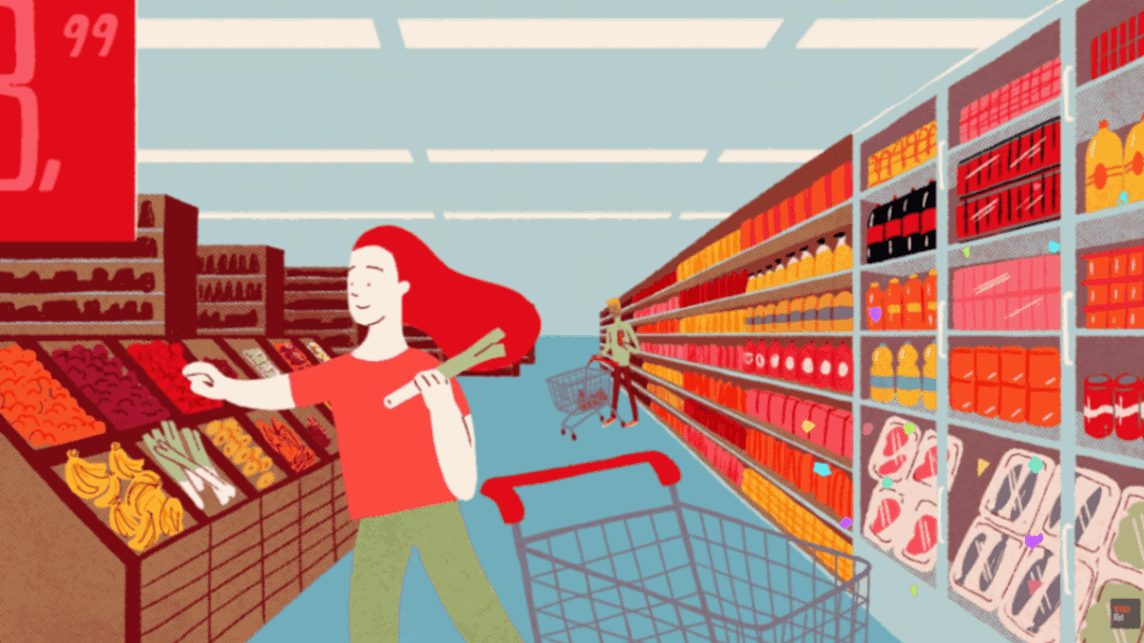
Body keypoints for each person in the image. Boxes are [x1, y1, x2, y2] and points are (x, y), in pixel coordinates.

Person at [182, 226, 539, 643]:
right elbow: (283, 390)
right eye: (352, 277)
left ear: (402, 287)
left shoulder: (428, 370)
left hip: (433, 510)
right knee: (371, 623)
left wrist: (440, 406)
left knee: (475, 610)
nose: (358, 287)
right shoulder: (343, 372)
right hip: (376, 514)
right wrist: (224, 387)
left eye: (372, 276)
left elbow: (464, 481)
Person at [599, 297, 641, 428]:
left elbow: (637, 349)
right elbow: (608, 346)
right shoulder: (611, 329)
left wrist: (626, 346)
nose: (614, 312)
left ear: (619, 311)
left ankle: (635, 418)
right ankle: (612, 416)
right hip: (616, 364)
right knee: (615, 391)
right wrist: (600, 355)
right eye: (612, 309)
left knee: (629, 390)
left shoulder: (626, 326)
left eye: (615, 309)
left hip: (625, 364)